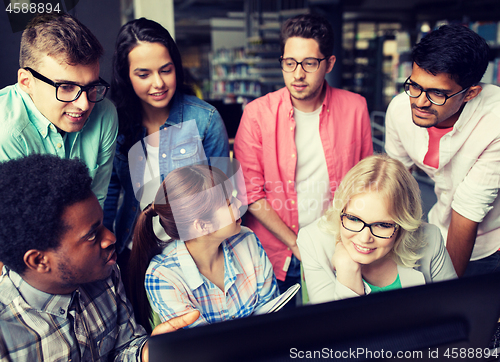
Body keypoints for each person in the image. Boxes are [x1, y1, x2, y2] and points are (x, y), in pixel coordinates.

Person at [0, 154, 198, 362]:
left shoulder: (106, 271)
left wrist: (145, 354)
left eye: (102, 224)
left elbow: (125, 346)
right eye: (92, 236)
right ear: (39, 261)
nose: (111, 238)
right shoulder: (6, 336)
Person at [234, 13, 373, 302]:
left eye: (309, 63)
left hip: (337, 244)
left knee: (333, 333)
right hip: (275, 249)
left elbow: (365, 182)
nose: (298, 74)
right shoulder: (257, 114)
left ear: (329, 64)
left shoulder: (355, 107)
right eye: (289, 63)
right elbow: (251, 194)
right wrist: (299, 245)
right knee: (279, 336)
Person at [103, 18, 229, 262]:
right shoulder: (114, 124)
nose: (158, 83)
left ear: (176, 67)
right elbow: (108, 196)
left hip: (192, 256)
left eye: (165, 70)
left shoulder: (205, 119)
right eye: (143, 74)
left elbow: (222, 196)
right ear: (126, 75)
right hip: (133, 254)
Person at [384, 24, 500, 277]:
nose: (420, 102)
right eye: (414, 86)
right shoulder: (400, 109)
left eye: (438, 93)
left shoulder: (495, 121)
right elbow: (394, 181)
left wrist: (447, 293)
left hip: (491, 245)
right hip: (438, 228)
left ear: (470, 93)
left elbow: (467, 211)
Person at [129, 164, 278, 332]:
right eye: (229, 203)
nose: (239, 203)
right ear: (202, 225)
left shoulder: (247, 239)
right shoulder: (163, 276)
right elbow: (200, 347)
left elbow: (271, 314)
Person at [297, 154, 457, 304]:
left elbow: (453, 309)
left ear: (402, 225)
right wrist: (348, 273)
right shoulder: (312, 241)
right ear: (341, 209)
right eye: (353, 219)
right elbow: (331, 331)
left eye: (382, 225)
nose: (364, 237)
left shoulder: (431, 238)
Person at [0, 13, 118, 207]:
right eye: (66, 87)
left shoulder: (105, 113)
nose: (84, 104)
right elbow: (21, 227)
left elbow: (96, 204)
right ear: (26, 82)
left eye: (91, 87)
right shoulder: (5, 132)